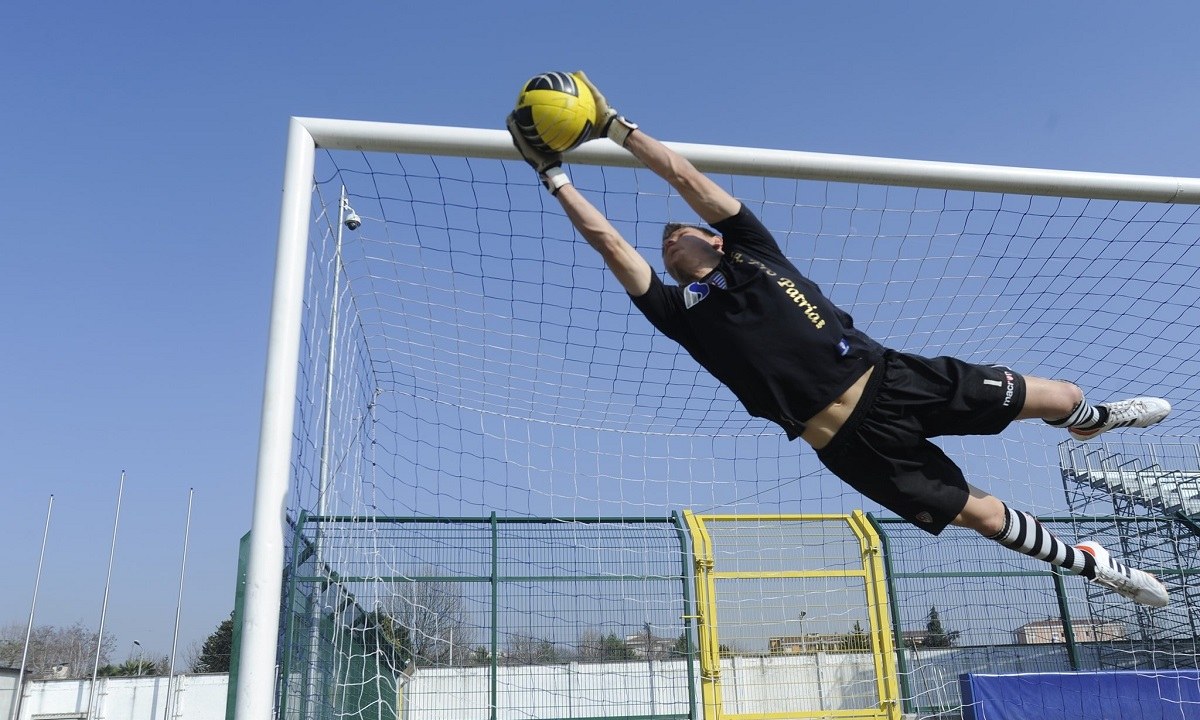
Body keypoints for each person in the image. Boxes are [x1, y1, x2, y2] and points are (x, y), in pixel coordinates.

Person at [505, 72, 1172, 608]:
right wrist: (553, 174)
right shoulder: (675, 308)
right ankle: (1093, 567)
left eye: (681, 231)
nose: (667, 237)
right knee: (984, 517)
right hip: (849, 445)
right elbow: (607, 239)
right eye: (662, 241)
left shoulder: (751, 248)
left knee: (1063, 395)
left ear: (712, 236)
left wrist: (617, 126)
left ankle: (1093, 421)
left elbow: (684, 177)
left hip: (893, 378)